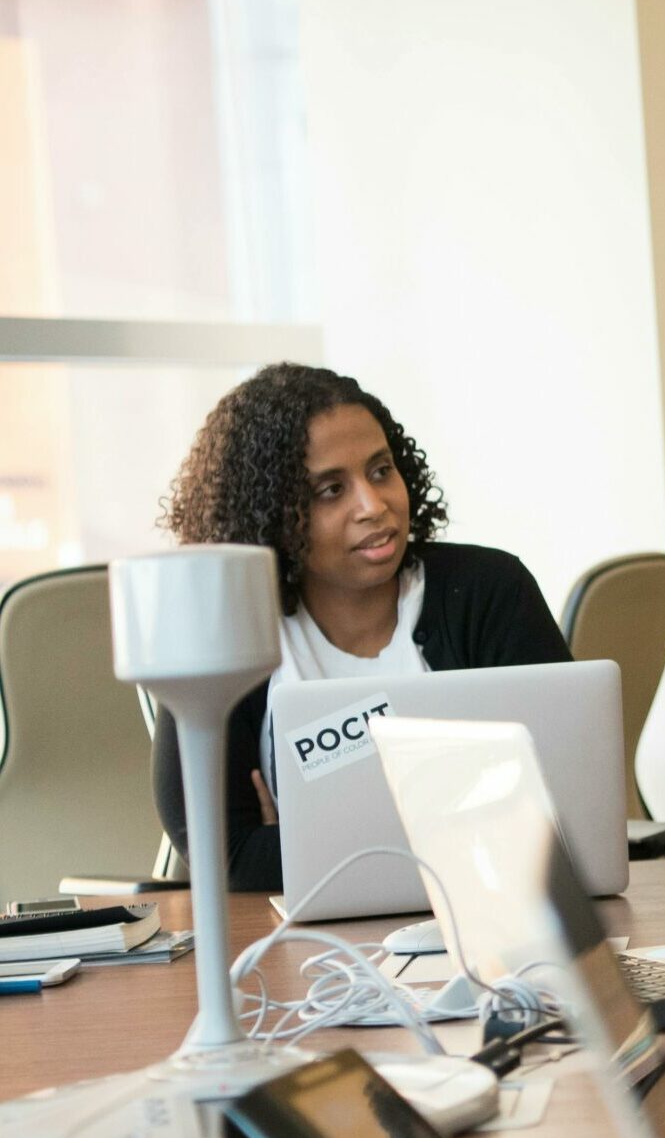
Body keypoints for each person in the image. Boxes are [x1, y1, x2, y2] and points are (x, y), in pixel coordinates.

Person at [153, 363, 568, 890]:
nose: (374, 506)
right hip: (307, 954)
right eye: (330, 490)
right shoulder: (224, 632)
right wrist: (459, 830)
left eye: (380, 471)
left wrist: (300, 843)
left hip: (494, 921)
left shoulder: (489, 591)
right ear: (268, 512)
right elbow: (226, 856)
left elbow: (559, 806)